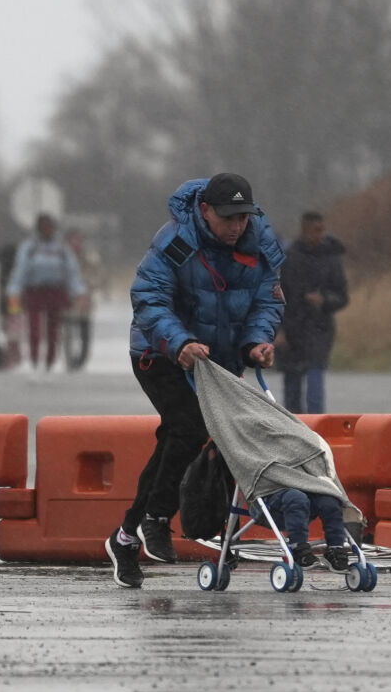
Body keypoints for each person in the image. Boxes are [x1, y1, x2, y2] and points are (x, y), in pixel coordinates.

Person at [105, 172, 284, 589]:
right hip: (160, 352)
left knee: (186, 437)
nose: (236, 227)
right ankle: (156, 517)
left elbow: (267, 300)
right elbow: (149, 299)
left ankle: (127, 536)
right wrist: (179, 341)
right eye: (227, 218)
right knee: (188, 427)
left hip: (216, 360)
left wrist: (257, 342)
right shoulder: (176, 241)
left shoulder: (260, 245)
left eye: (243, 218)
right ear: (206, 211)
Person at [276, 211, 348, 414]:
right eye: (316, 230)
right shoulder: (288, 258)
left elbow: (342, 296)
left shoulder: (331, 258)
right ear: (305, 230)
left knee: (315, 383)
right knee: (292, 386)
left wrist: (325, 300)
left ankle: (318, 431)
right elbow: (276, 297)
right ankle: (295, 429)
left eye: (322, 229)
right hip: (292, 327)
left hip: (319, 327)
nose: (320, 234)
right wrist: (278, 330)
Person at [5, 213, 86, 379]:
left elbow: (72, 272)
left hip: (56, 290)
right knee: (34, 326)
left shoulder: (62, 249)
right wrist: (14, 292)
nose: (48, 230)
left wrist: (79, 292)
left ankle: (50, 360)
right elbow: (20, 271)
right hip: (35, 290)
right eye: (44, 227)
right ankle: (34, 359)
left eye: (50, 227)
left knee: (53, 328)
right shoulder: (30, 247)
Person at [62, 228, 107, 371]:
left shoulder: (90, 257)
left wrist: (87, 288)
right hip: (68, 299)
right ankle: (69, 360)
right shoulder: (62, 257)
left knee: (85, 332)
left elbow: (100, 276)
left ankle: (82, 359)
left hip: (85, 300)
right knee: (68, 331)